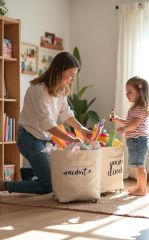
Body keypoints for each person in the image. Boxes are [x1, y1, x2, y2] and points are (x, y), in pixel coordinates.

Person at [0, 51, 92, 194]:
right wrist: (71, 139)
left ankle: (30, 175)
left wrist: (82, 129)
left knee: (57, 178)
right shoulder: (38, 89)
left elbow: (66, 114)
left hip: (44, 140)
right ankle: (5, 186)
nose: (72, 80)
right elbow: (46, 123)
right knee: (49, 186)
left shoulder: (61, 90)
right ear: (59, 71)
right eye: (70, 75)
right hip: (29, 139)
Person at [112, 76, 149, 196]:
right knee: (138, 166)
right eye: (126, 91)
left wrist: (124, 128)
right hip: (135, 141)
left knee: (140, 166)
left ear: (139, 93)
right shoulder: (134, 108)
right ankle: (139, 186)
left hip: (138, 141)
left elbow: (134, 125)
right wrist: (118, 120)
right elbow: (130, 123)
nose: (126, 94)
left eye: (130, 91)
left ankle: (143, 189)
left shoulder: (139, 108)